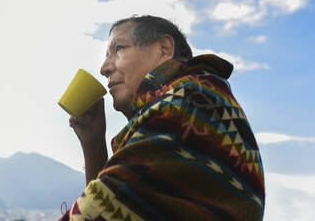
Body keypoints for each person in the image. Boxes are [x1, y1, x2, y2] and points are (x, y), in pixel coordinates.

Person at [60, 15, 265, 221]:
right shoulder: (187, 102)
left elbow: (109, 207)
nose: (104, 68)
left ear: (164, 49)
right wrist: (93, 143)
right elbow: (120, 202)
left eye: (119, 48)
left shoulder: (194, 97)